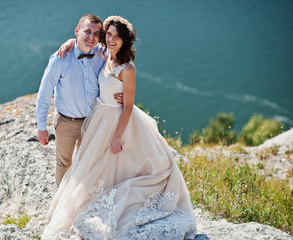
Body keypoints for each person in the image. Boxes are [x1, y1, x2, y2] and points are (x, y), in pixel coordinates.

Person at [41, 15, 196, 240]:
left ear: (125, 41)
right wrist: (68, 43)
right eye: (109, 34)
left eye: (117, 36)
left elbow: (129, 106)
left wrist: (117, 137)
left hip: (116, 120)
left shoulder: (128, 68)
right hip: (98, 118)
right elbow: (85, 40)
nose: (111, 39)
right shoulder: (104, 53)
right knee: (92, 164)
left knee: (115, 165)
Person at [36, 14, 122, 187]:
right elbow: (44, 94)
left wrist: (123, 91)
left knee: (89, 162)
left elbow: (122, 65)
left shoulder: (102, 53)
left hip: (93, 120)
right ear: (77, 31)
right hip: (66, 122)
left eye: (97, 34)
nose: (91, 37)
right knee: (63, 164)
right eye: (87, 31)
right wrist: (41, 128)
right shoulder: (59, 60)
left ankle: (81, 198)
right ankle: (61, 205)